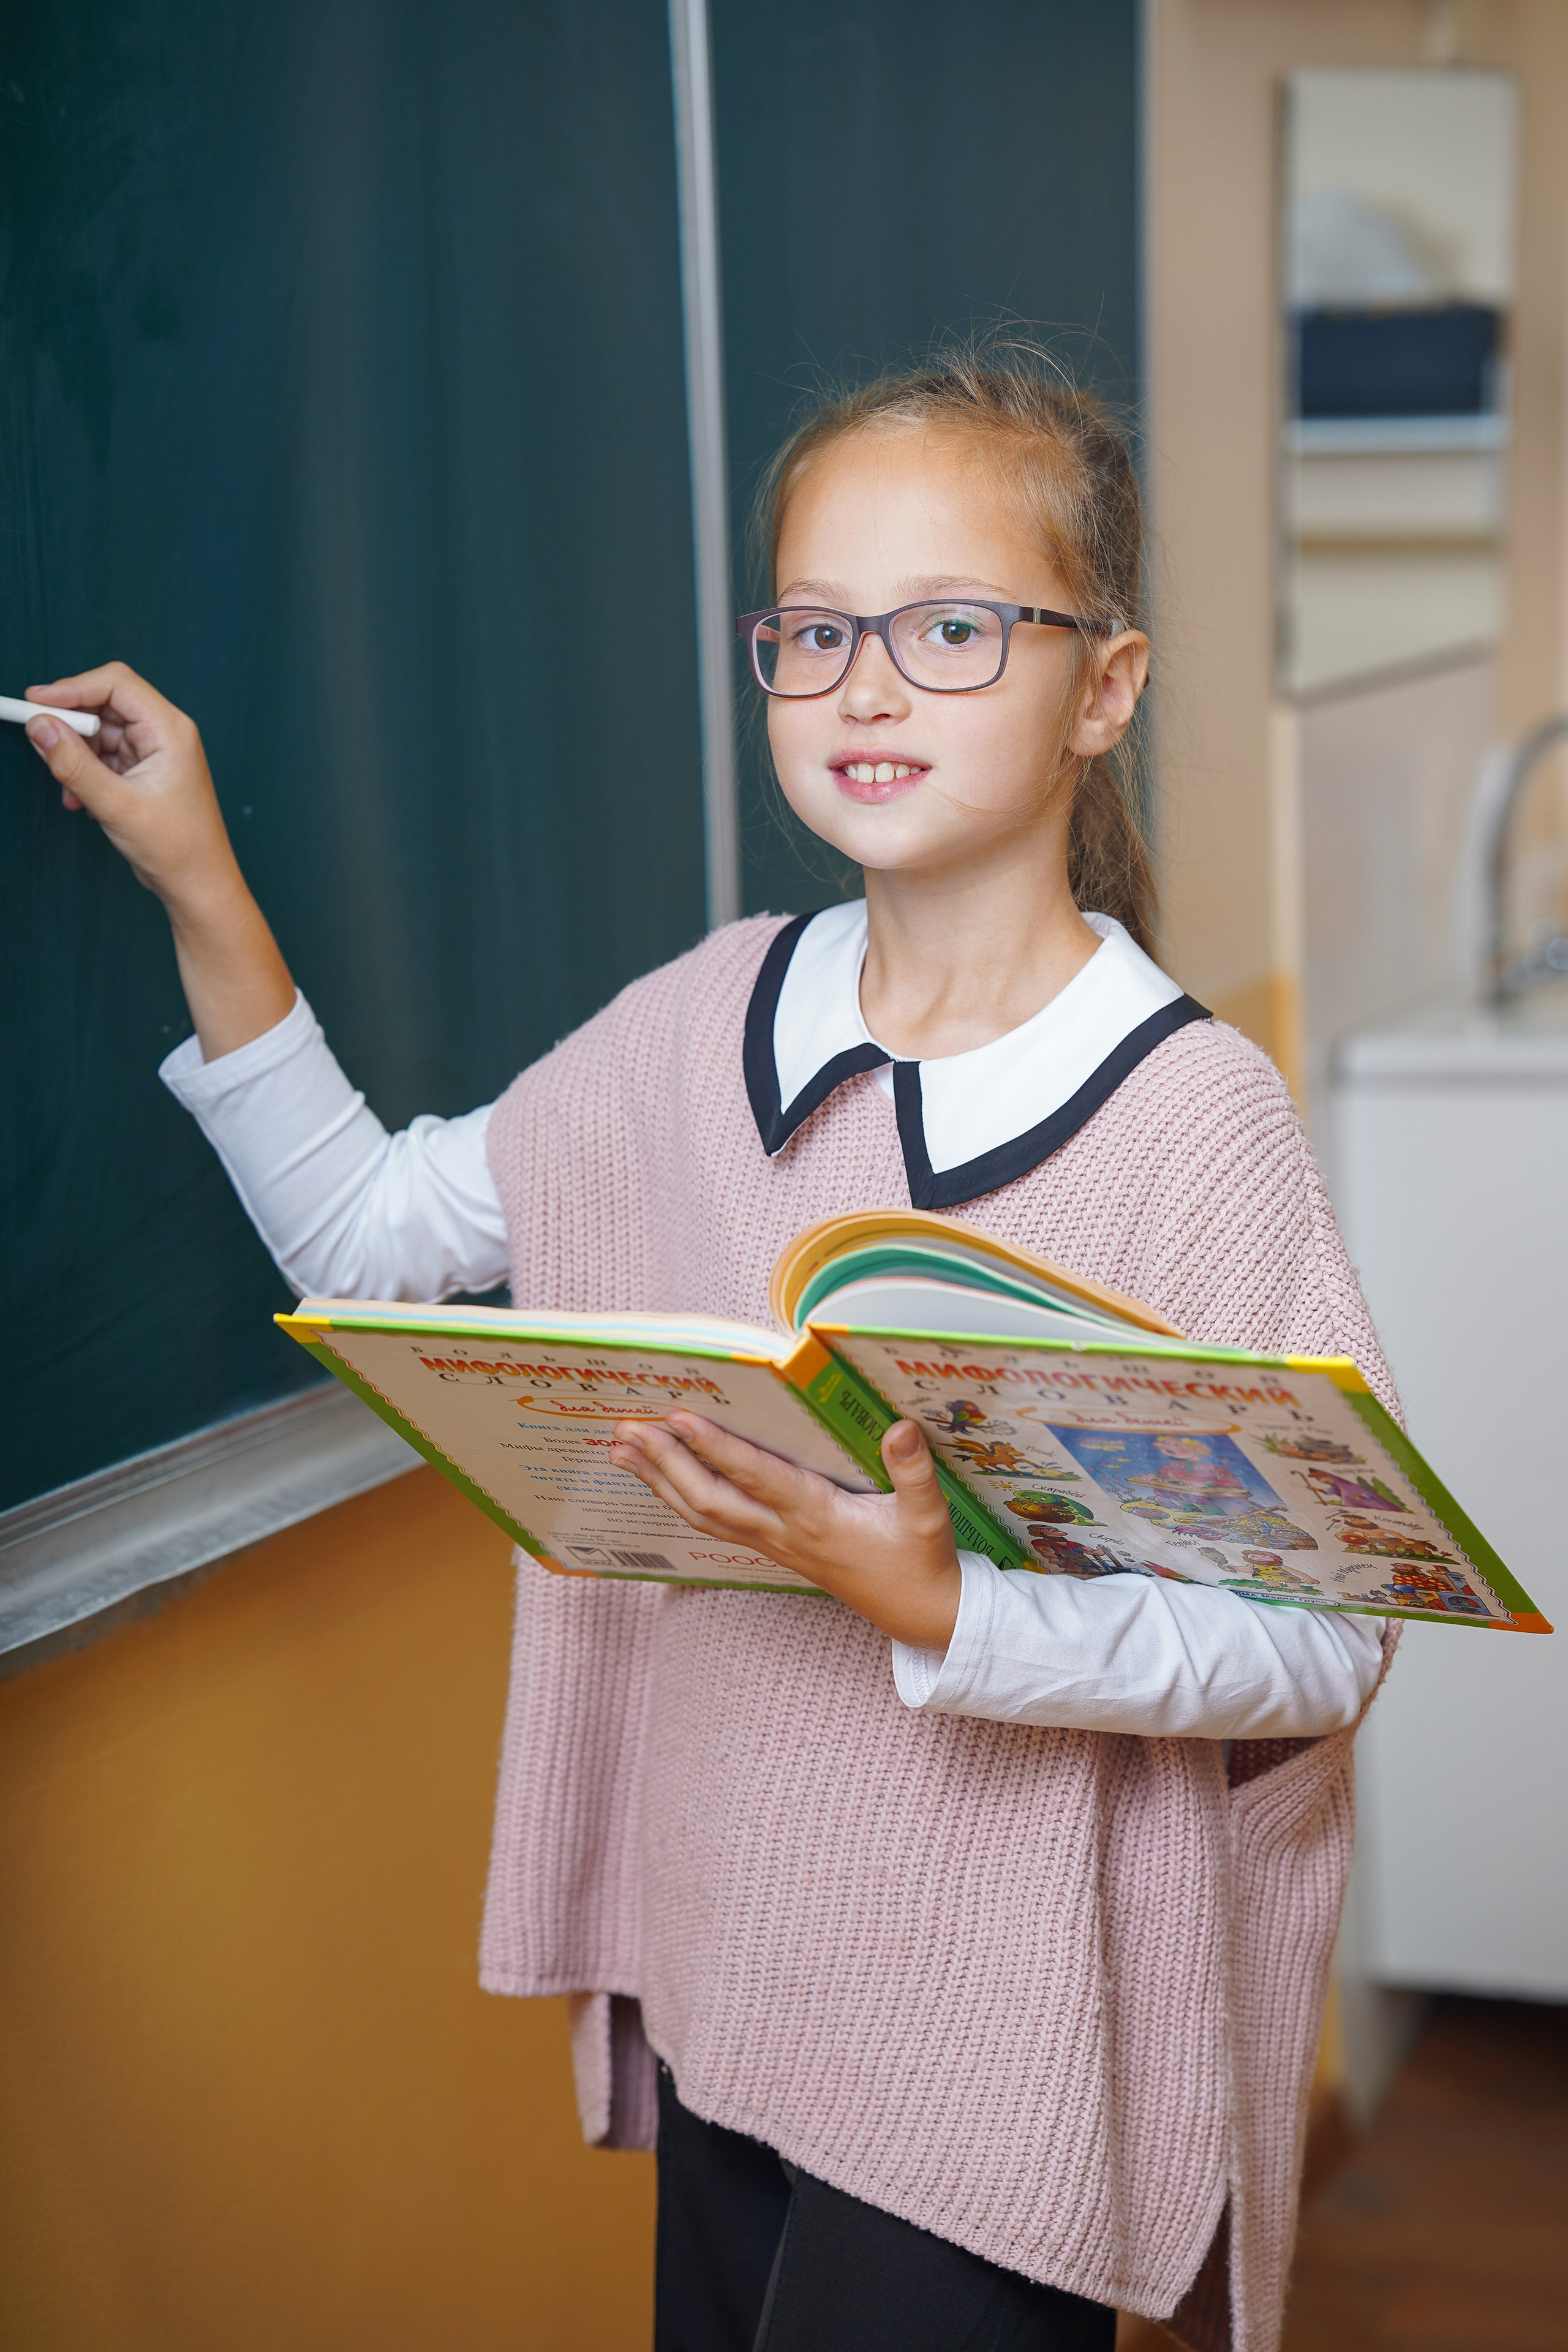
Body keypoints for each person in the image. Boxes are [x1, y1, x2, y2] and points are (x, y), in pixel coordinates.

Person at [26, 345, 1396, 2352]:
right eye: (813, 632)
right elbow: (381, 1245)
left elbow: (1324, 1640)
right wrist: (201, 877)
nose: (862, 686)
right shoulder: (702, 1019)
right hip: (731, 1969)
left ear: (1104, 688)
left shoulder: (1192, 1126)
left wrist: (953, 1608)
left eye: (949, 629)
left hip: (993, 2052)